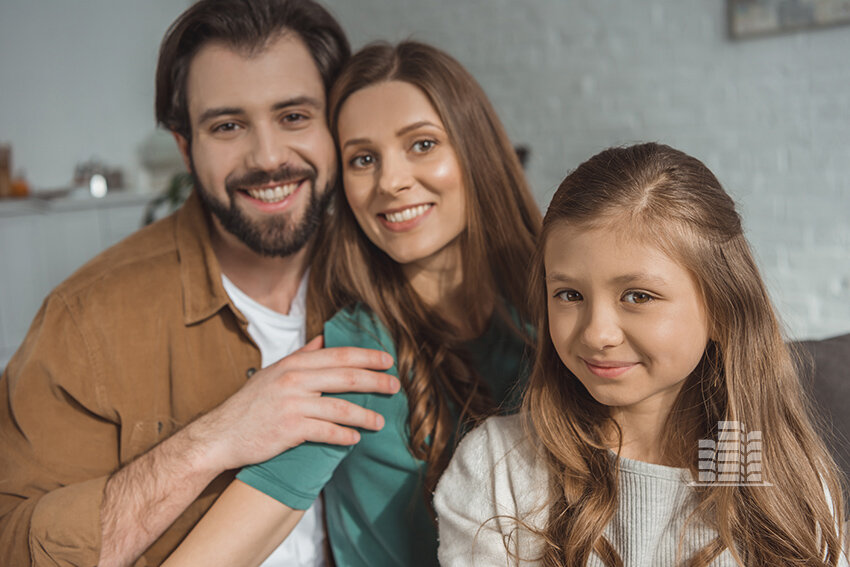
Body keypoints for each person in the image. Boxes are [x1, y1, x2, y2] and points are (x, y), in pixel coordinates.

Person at [0, 1, 403, 566]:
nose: (267, 158)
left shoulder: (393, 277)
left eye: (293, 116)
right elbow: (12, 544)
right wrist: (211, 441)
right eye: (228, 126)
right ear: (185, 147)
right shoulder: (85, 320)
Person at [161, 41, 542, 567]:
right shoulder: (359, 355)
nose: (391, 181)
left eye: (422, 145)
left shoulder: (550, 311)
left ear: (476, 150)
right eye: (363, 159)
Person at [434, 143, 848, 566]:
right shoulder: (497, 468)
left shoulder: (781, 474)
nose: (597, 334)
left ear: (723, 310)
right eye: (570, 294)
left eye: (637, 296)